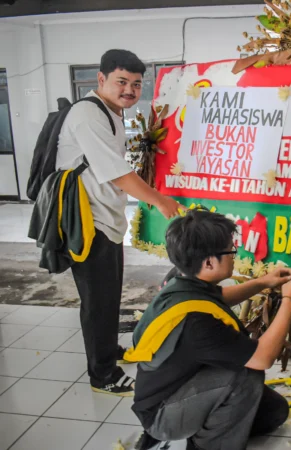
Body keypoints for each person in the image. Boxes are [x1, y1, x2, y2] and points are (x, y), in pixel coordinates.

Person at [56, 49, 184, 396]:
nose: (129, 90)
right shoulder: (88, 115)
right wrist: (159, 200)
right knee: (98, 300)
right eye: (121, 81)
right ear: (101, 79)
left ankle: (107, 351)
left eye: (136, 84)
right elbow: (116, 173)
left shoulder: (112, 112)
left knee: (109, 295)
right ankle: (103, 375)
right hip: (86, 222)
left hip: (105, 220)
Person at [129, 210, 291, 450]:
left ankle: (207, 423)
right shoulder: (197, 322)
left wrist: (263, 282)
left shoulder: (181, 279)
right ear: (209, 262)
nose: (234, 256)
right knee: (246, 375)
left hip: (182, 385)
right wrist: (290, 301)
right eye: (231, 251)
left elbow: (218, 297)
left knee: (273, 413)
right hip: (162, 413)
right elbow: (263, 358)